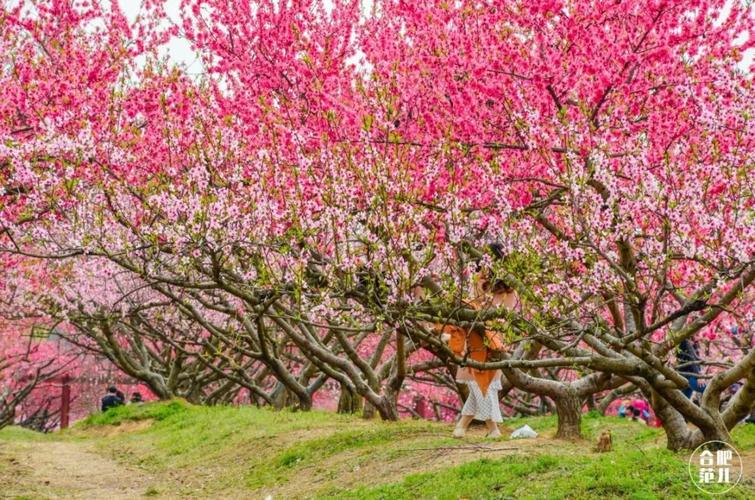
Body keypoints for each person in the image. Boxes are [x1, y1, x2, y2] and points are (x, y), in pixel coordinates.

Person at [435, 270, 519, 439]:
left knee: (482, 384)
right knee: (479, 385)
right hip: (477, 342)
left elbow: (501, 311)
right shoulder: (482, 282)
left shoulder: (509, 292)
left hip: (491, 343)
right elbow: (475, 302)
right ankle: (464, 426)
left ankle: (490, 428)